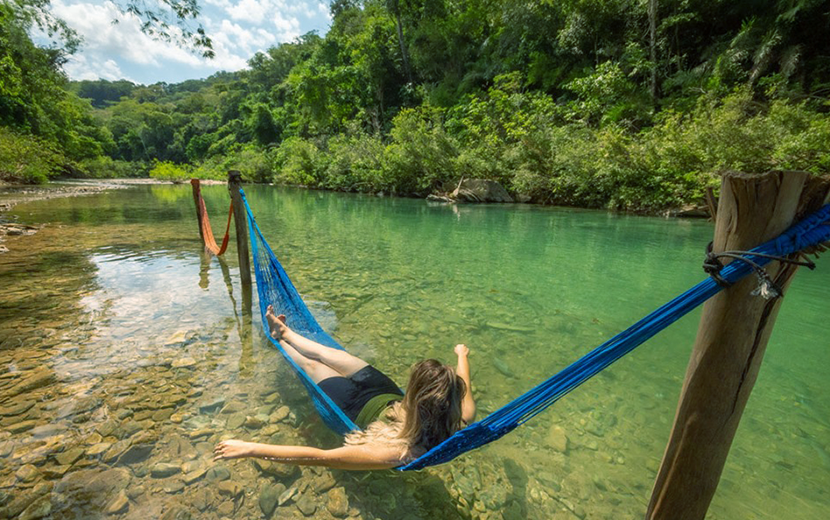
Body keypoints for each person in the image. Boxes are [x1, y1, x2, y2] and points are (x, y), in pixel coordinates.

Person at [213, 305, 476, 470]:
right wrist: (461, 355)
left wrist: (250, 448)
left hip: (353, 406)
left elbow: (323, 457)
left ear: (417, 397)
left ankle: (279, 340)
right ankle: (285, 332)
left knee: (312, 365)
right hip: (383, 391)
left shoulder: (402, 451)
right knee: (328, 353)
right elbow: (463, 384)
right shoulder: (460, 417)